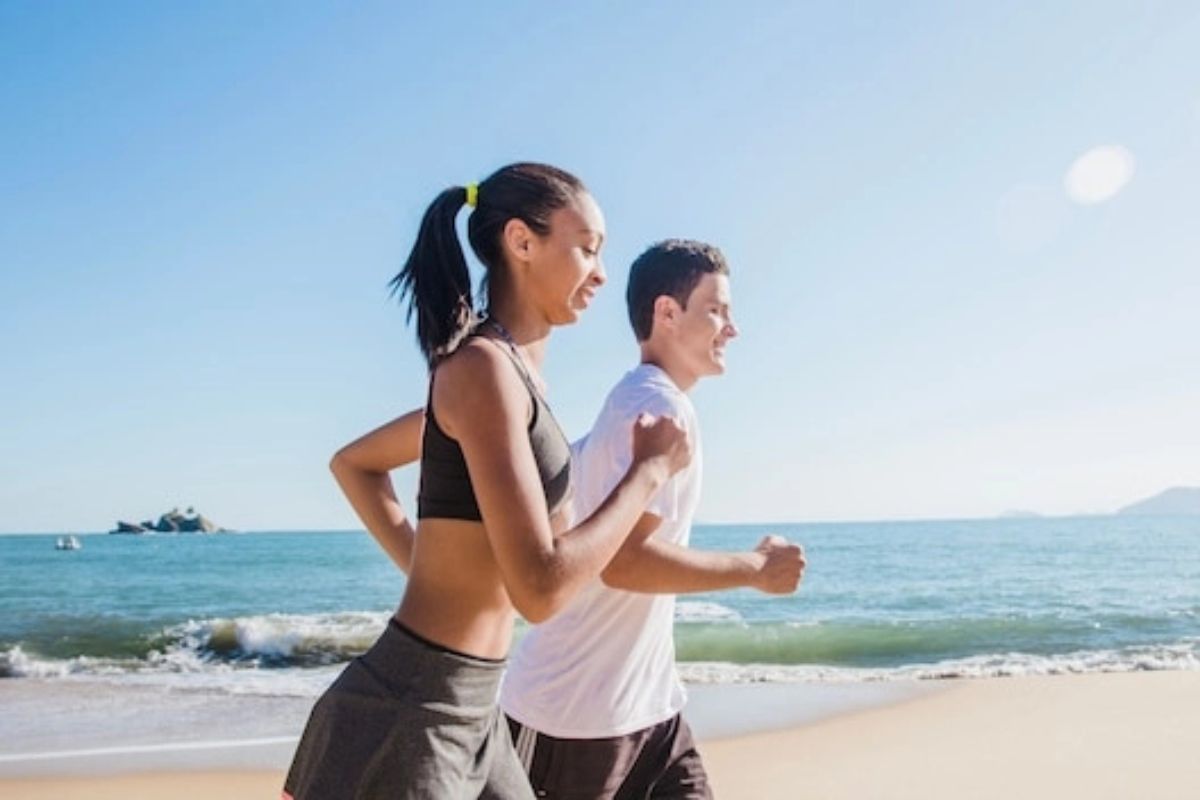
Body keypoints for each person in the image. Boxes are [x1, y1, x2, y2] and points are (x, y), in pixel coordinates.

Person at [283, 164, 691, 800]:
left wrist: (436, 571)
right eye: (587, 248)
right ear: (521, 242)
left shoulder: (512, 383)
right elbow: (541, 589)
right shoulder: (481, 369)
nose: (601, 274)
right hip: (412, 711)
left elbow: (357, 464)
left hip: (475, 707)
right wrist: (647, 472)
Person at [499, 239, 807, 799]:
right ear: (667, 312)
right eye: (717, 310)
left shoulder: (640, 402)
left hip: (650, 710)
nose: (731, 329)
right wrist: (755, 567)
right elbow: (624, 564)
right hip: (573, 719)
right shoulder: (658, 408)